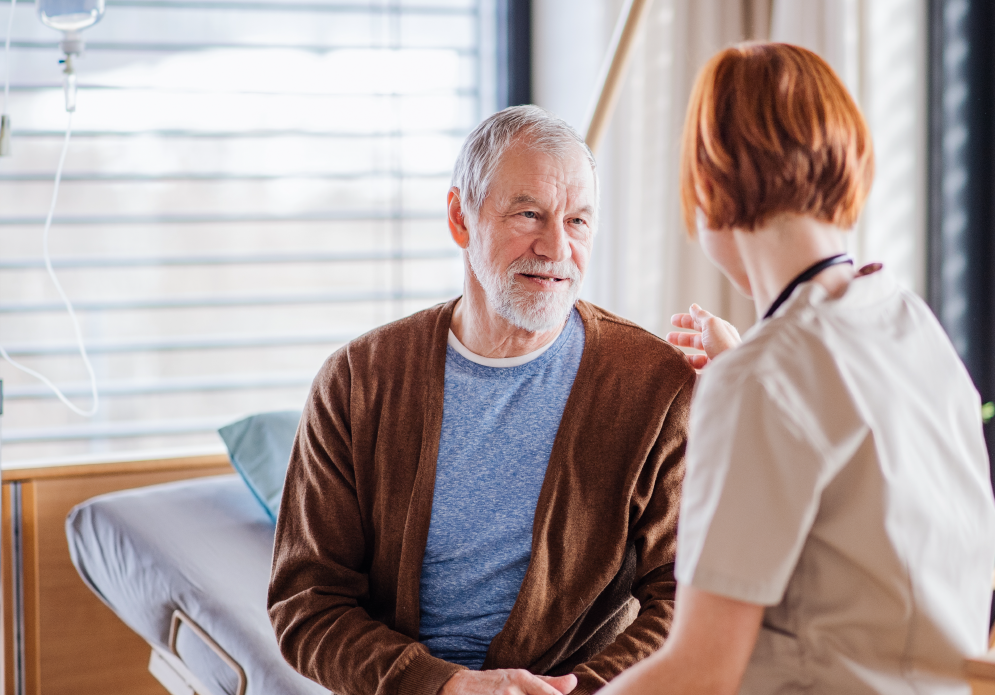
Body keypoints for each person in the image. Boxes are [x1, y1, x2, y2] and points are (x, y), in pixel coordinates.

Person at [601, 43, 995, 695]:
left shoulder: (763, 379)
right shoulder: (905, 321)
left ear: (708, 184)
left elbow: (699, 670)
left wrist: (743, 378)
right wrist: (743, 364)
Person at [268, 106, 696, 695]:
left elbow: (683, 598)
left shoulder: (655, 385)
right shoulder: (355, 382)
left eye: (577, 220)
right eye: (529, 214)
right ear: (460, 218)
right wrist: (444, 687)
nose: (556, 247)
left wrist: (582, 690)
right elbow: (307, 604)